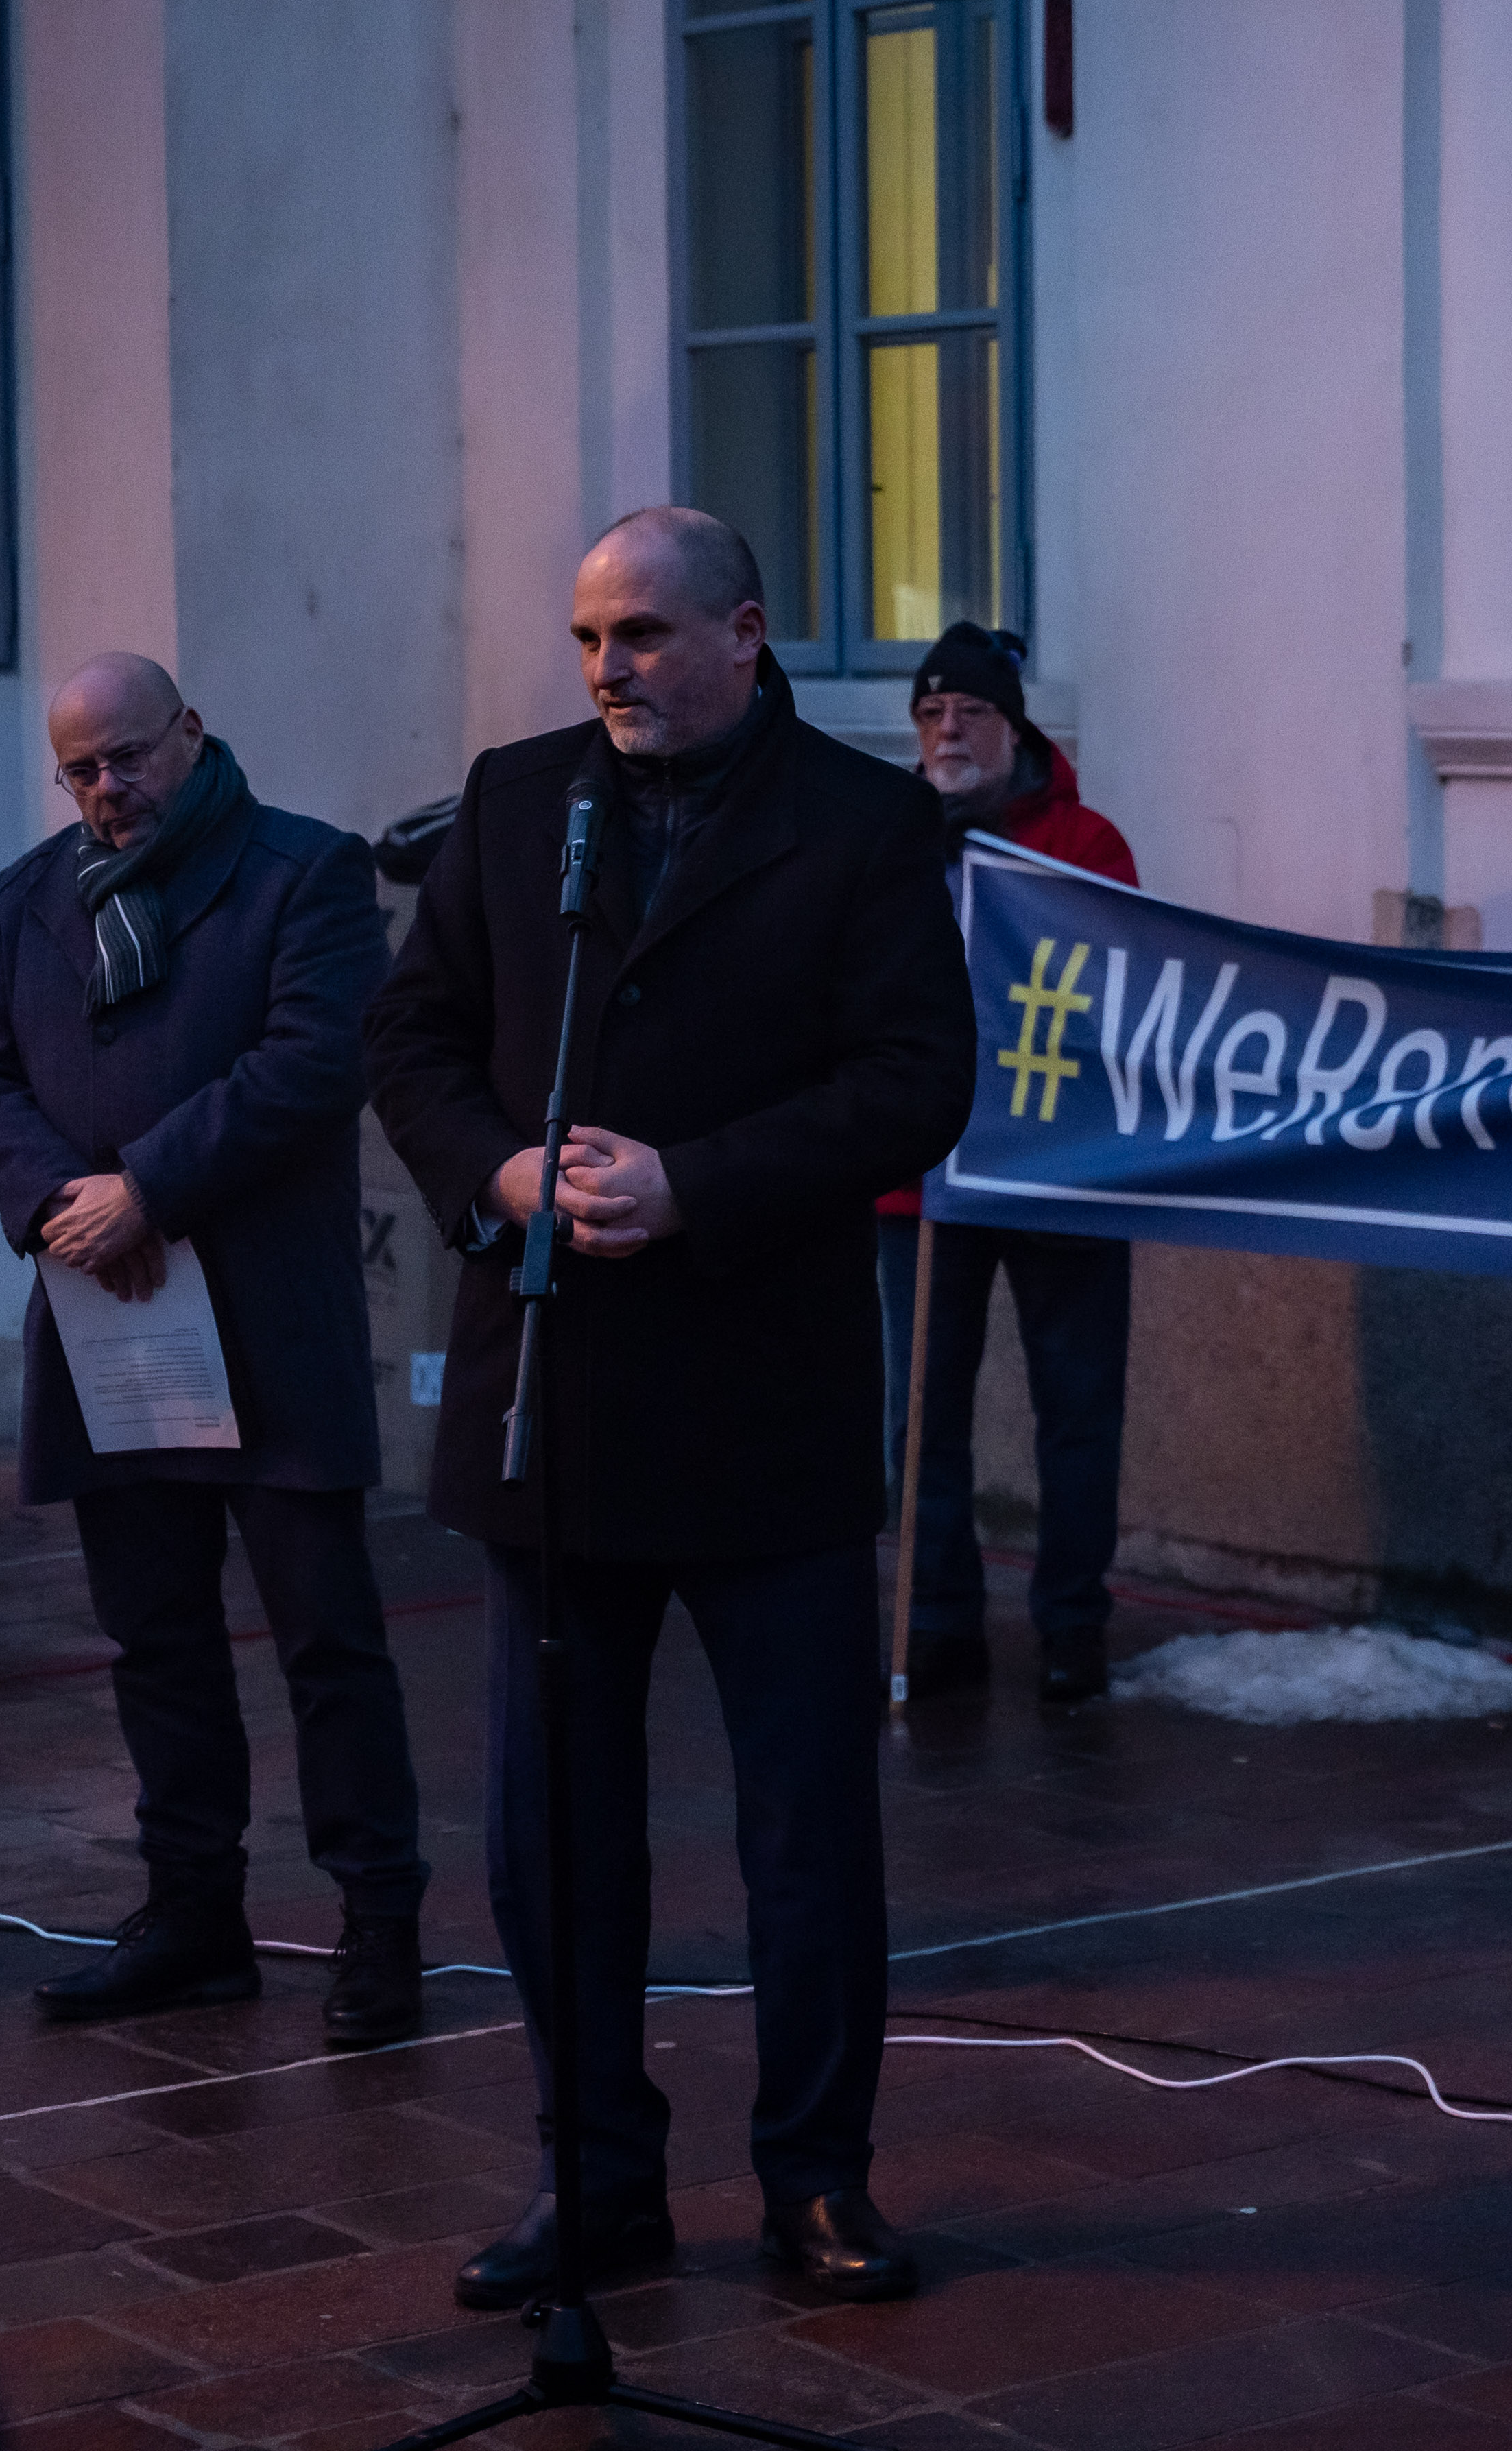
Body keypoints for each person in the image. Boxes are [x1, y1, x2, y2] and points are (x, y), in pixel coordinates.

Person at [364, 508, 974, 2312]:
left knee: (806, 1826)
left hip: (761, 1398)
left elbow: (913, 1081)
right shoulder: (512, 800)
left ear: (746, 632)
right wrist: (507, 1172)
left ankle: (816, 2180)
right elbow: (413, 1041)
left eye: (638, 634)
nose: (606, 670)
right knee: (553, 1826)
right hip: (550, 1393)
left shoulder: (864, 825)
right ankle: (592, 2178)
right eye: (584, 638)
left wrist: (695, 1183)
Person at [0, 654, 431, 2045]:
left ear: (193, 733)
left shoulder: (309, 873)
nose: (109, 788)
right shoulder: (32, 895)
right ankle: (193, 1913)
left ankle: (378, 1917)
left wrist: (149, 1182)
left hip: (267, 1319)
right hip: (115, 1323)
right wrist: (57, 1201)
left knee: (326, 1638)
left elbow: (316, 1059)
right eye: (83, 768)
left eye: (130, 756)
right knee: (153, 1636)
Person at [877, 622, 1139, 1704]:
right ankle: (937, 1621)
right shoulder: (888, 842)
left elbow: (1127, 988)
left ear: (1012, 725)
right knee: (920, 1412)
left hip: (1059, 1174)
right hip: (921, 1177)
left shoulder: (1085, 844)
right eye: (932, 713)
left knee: (1076, 1409)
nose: (947, 732)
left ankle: (1073, 1624)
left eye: (969, 713)